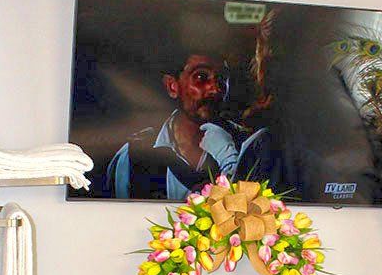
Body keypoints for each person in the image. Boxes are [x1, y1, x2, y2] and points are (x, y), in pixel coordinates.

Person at [104, 52, 275, 199]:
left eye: (221, 79)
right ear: (172, 86)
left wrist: (229, 161)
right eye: (201, 77)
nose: (214, 89)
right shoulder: (133, 154)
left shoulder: (250, 147)